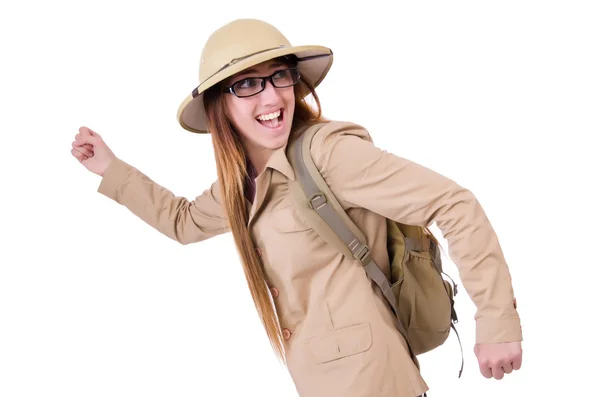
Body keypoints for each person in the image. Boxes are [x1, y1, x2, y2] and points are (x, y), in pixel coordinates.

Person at [70, 18, 523, 397]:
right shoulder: (244, 182)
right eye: (247, 84)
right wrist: (111, 168)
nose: (271, 98)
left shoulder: (327, 154)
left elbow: (453, 203)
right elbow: (185, 223)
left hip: (374, 384)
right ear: (220, 106)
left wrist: (497, 320)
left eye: (279, 76)